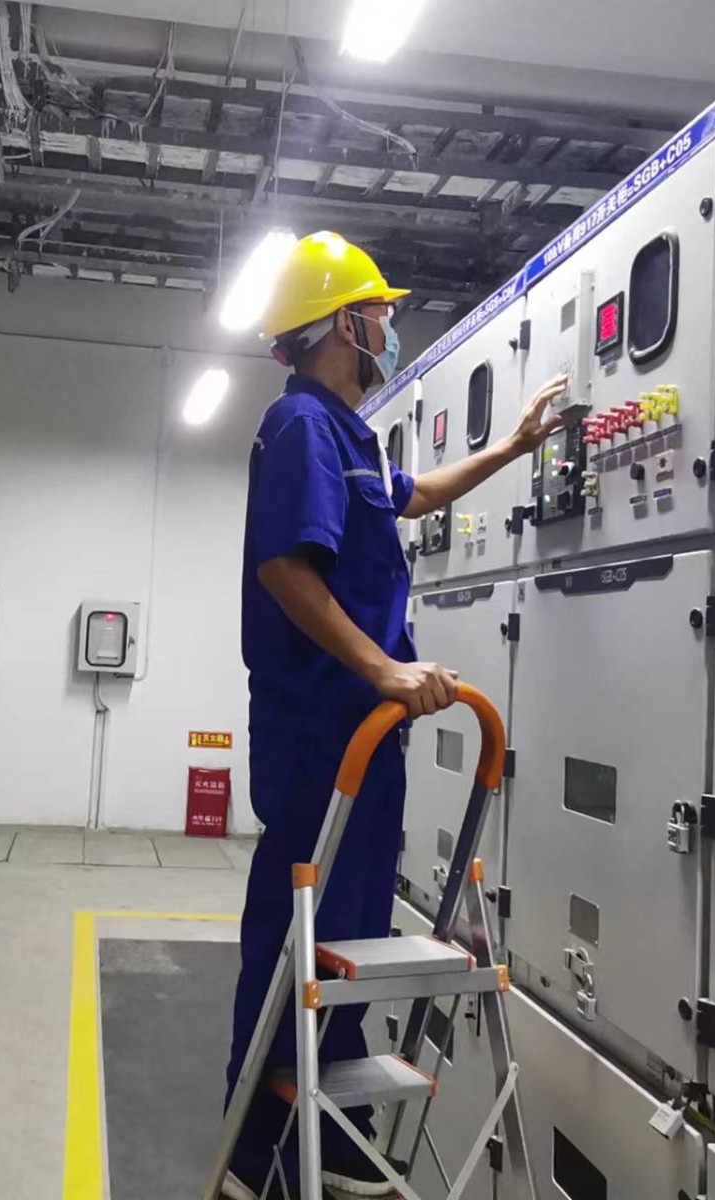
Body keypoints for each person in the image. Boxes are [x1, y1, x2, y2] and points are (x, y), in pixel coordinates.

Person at [224, 231, 569, 1200]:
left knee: (352, 933)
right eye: (377, 311)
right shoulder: (300, 426)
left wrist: (512, 448)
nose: (387, 325)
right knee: (299, 936)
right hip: (321, 727)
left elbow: (411, 499)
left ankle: (335, 1132)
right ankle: (255, 1148)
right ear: (345, 324)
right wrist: (383, 669)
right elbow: (284, 569)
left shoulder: (348, 432)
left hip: (361, 732)